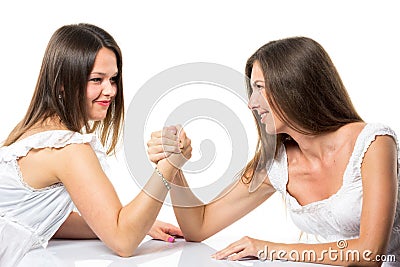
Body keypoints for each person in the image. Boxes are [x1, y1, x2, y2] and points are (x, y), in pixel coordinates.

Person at [147, 37, 399, 266]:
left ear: (294, 86)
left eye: (259, 87)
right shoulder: (277, 165)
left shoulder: (373, 143)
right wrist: (174, 166)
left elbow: (370, 253)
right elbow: (198, 227)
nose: (251, 103)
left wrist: (270, 248)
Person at [0, 23, 191, 267]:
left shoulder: (32, 131)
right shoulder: (68, 148)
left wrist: (141, 224)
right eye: (96, 79)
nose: (110, 90)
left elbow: (40, 219)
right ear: (62, 83)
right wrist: (169, 165)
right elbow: (124, 242)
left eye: (113, 79)